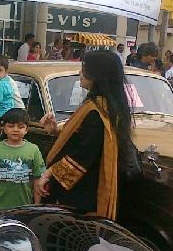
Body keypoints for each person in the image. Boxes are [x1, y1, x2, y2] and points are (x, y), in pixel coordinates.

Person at [35, 50, 133, 220]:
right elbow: (83, 138)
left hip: (81, 195)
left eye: (84, 68)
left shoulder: (97, 111)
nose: (80, 73)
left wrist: (48, 173)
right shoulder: (107, 105)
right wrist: (56, 130)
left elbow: (83, 153)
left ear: (97, 75)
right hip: (84, 190)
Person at [0, 108, 45, 214]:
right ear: (3, 128)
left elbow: (37, 178)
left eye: (20, 127)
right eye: (11, 126)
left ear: (26, 129)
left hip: (24, 207)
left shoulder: (33, 150)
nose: (15, 129)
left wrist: (37, 204)